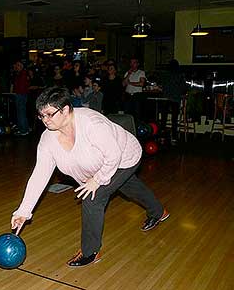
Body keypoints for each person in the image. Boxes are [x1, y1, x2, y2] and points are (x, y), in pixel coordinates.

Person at [11, 88, 169, 267]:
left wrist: (97, 180)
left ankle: (90, 252)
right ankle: (159, 212)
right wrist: (23, 211)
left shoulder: (91, 123)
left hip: (125, 156)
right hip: (104, 164)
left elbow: (113, 155)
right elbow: (40, 174)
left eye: (49, 114)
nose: (45, 120)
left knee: (93, 198)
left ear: (65, 109)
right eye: (41, 116)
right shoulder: (48, 139)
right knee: (128, 186)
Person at [158, 59, 187, 143]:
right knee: (174, 119)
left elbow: (161, 85)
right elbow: (184, 88)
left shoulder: (165, 74)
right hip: (175, 99)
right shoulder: (180, 75)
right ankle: (174, 136)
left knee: (163, 119)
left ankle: (162, 137)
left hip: (165, 98)